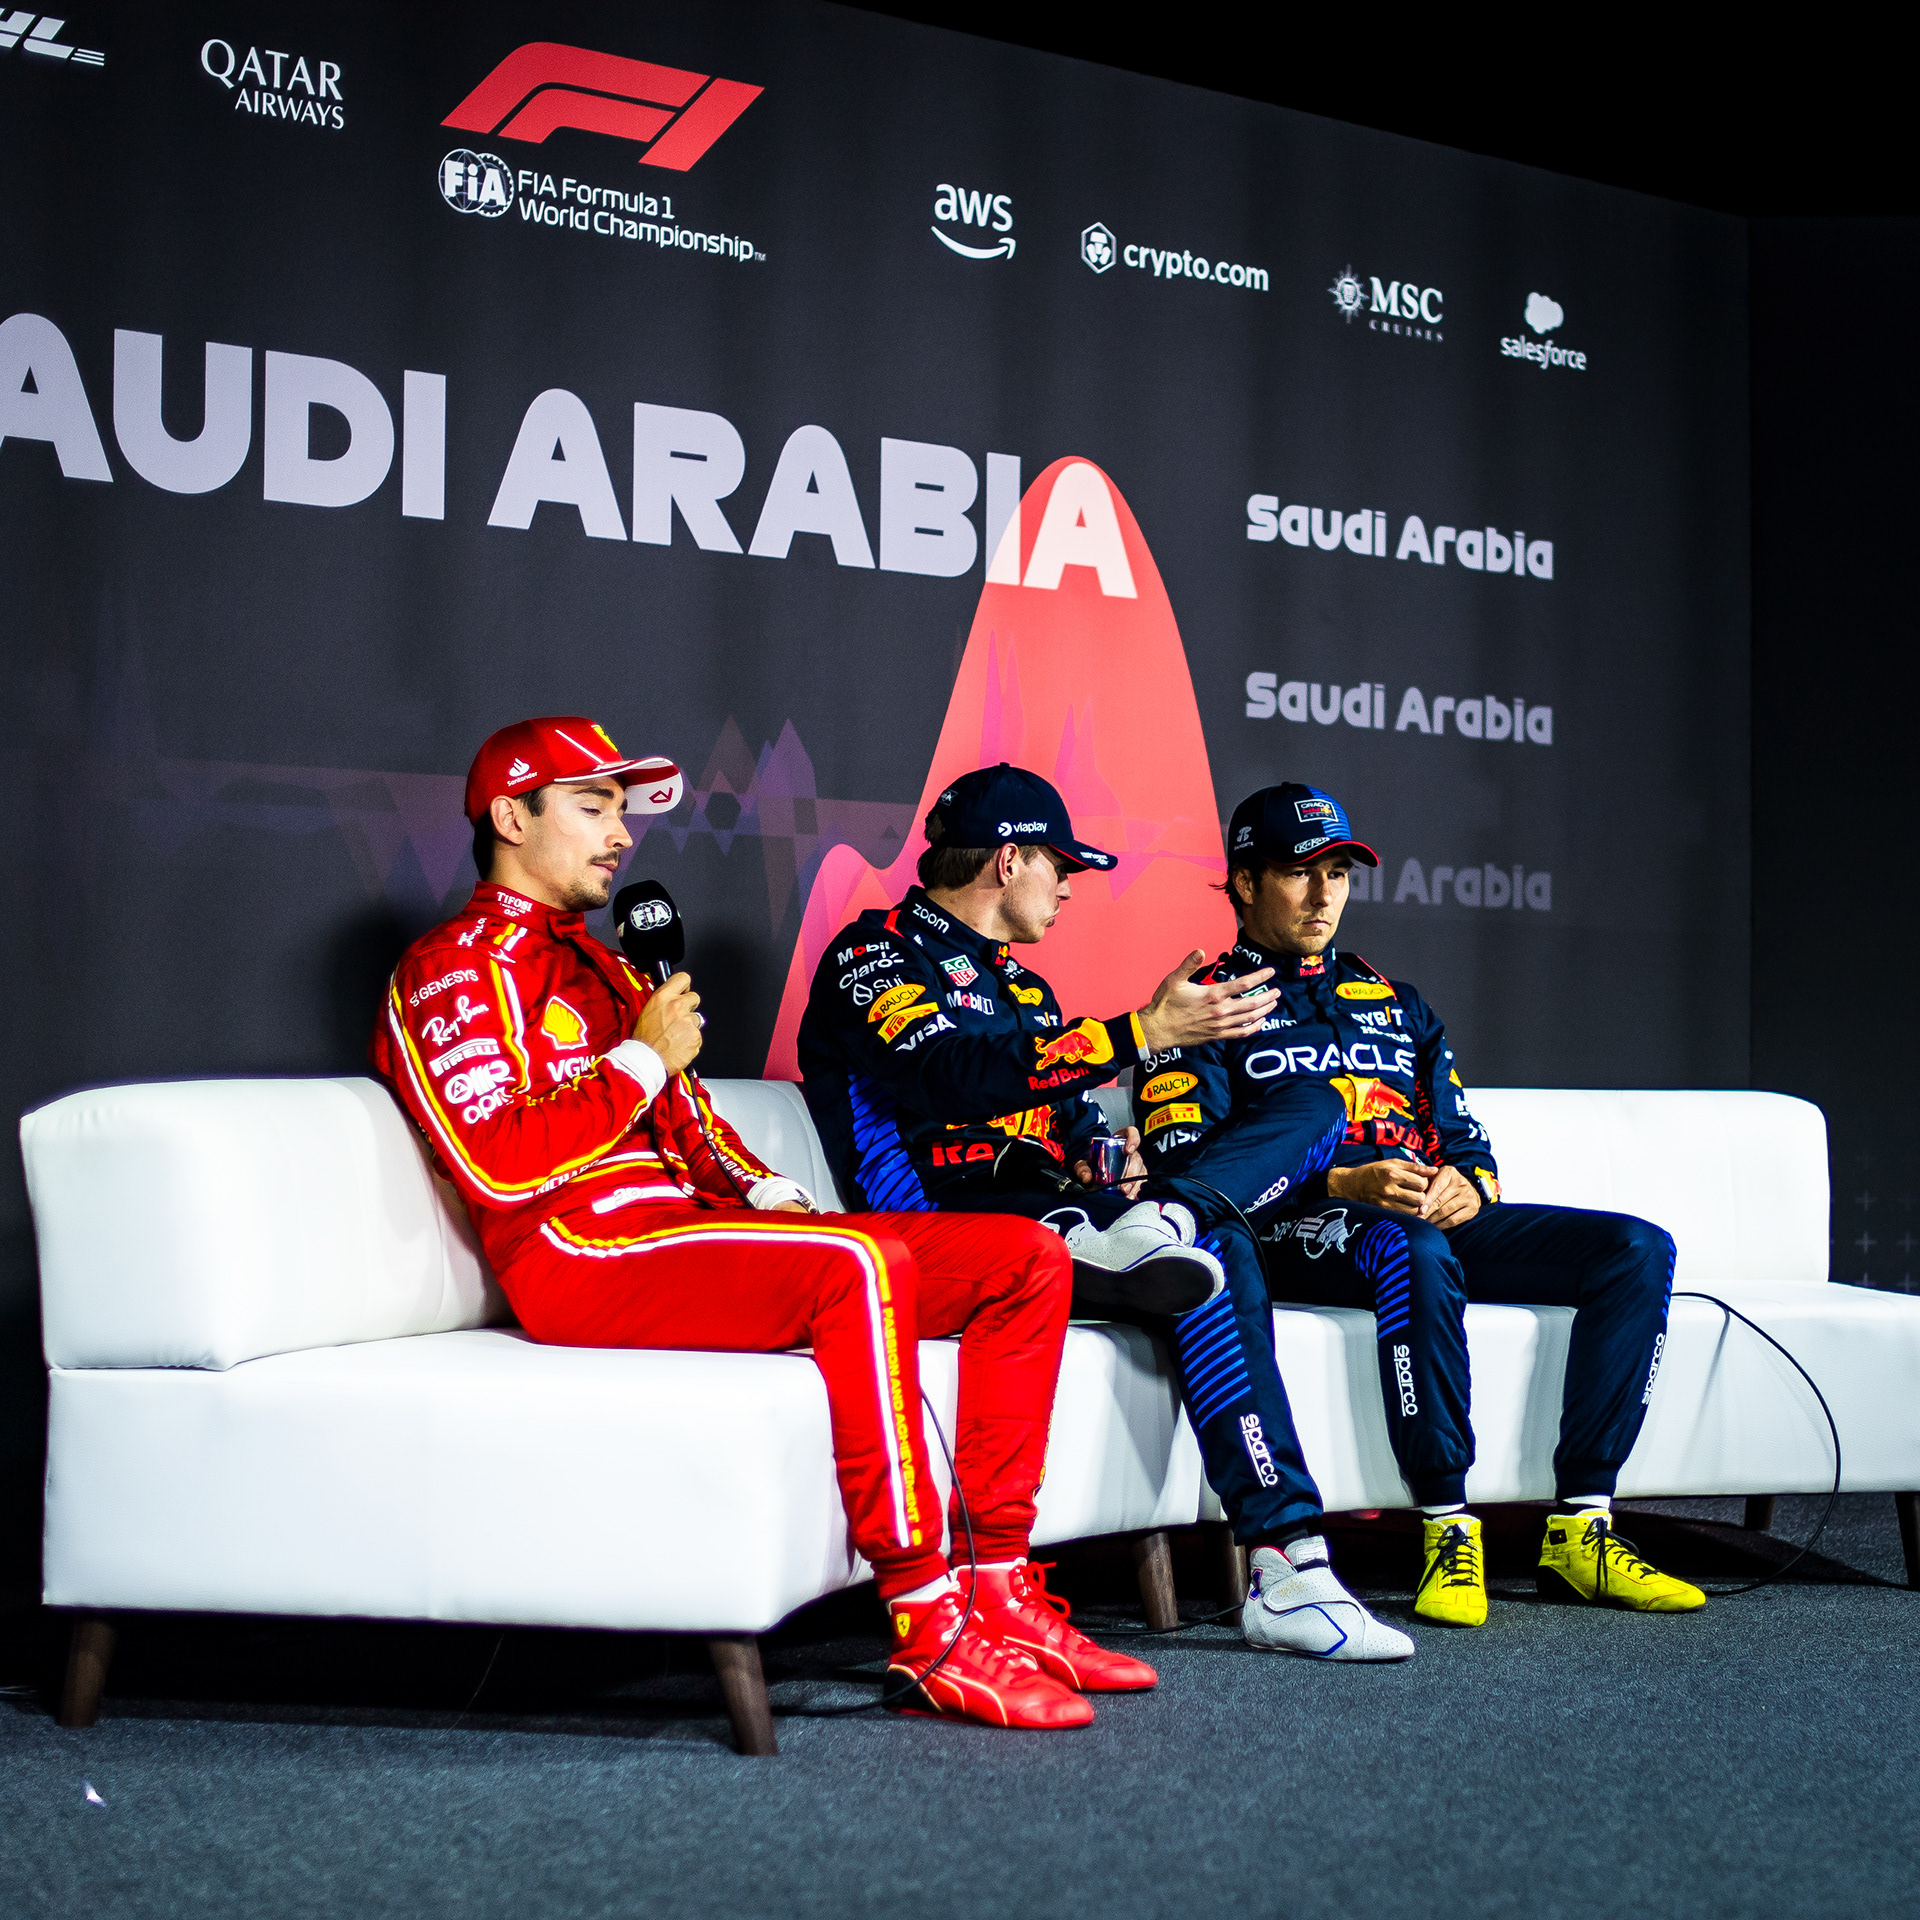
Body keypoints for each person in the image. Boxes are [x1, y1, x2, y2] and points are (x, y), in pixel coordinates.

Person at [371, 717, 1159, 1732]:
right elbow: (498, 1164)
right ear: (512, 814)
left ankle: (1000, 1586)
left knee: (1026, 1259)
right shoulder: (450, 968)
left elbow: (695, 1130)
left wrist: (764, 1188)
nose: (621, 834)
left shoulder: (612, 971)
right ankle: (928, 1625)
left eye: (623, 812)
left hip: (685, 1232)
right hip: (579, 1255)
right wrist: (642, 1061)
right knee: (855, 1266)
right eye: (593, 806)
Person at [799, 763, 1416, 1661]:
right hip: (949, 1237)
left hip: (1071, 1227)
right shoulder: (872, 956)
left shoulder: (1028, 992)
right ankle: (1163, 1231)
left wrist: (1109, 1157)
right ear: (1009, 862)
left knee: (1291, 1141)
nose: (1069, 888)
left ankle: (1289, 1565)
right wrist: (1139, 1033)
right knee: (1202, 1248)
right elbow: (953, 1076)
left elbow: (1072, 1119)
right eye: (1062, 866)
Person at [1135, 781, 1705, 1626]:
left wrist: (1466, 1186)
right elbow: (1189, 1170)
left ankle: (1582, 1527)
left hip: (1419, 1216)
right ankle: (1445, 1525)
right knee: (1412, 1248)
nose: (1325, 892)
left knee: (1635, 1250)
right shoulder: (1202, 1007)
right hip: (1294, 1227)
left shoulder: (1399, 1004)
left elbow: (1468, 1141)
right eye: (1300, 872)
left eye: (1339, 871)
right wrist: (1338, 1183)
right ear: (1246, 883)